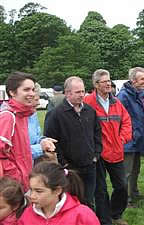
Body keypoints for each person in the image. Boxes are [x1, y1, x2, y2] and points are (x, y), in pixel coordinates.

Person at [44, 76, 102, 208]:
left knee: (88, 201)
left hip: (90, 165)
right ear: (67, 93)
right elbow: (50, 141)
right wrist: (63, 163)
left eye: (83, 91)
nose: (82, 95)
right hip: (69, 170)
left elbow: (97, 133)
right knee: (70, 203)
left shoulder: (89, 111)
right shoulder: (56, 114)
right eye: (78, 92)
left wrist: (96, 154)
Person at [84, 69, 132, 225]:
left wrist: (122, 138)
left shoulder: (116, 102)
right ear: (96, 84)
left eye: (109, 80)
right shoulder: (88, 102)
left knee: (122, 186)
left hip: (116, 150)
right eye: (104, 81)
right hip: (97, 153)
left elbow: (126, 121)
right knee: (100, 189)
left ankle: (115, 213)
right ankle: (105, 220)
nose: (108, 84)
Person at [0, 72, 49, 191]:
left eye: (32, 89)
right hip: (13, 188)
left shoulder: (23, 116)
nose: (31, 93)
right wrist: (15, 178)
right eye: (26, 89)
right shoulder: (8, 116)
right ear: (12, 92)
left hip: (24, 181)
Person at [18, 161, 101, 225]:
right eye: (31, 190)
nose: (32, 196)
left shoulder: (82, 215)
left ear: (57, 191)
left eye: (39, 191)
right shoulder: (27, 215)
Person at [117, 67, 144, 206]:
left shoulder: (141, 93)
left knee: (136, 169)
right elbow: (120, 119)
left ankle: (134, 192)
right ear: (133, 81)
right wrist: (128, 135)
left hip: (138, 138)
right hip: (129, 140)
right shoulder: (123, 96)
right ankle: (125, 199)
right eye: (142, 79)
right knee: (127, 172)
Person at [28, 83, 57, 162]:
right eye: (36, 100)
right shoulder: (9, 117)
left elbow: (36, 136)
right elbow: (15, 152)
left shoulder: (33, 114)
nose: (39, 103)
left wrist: (43, 140)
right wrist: (40, 147)